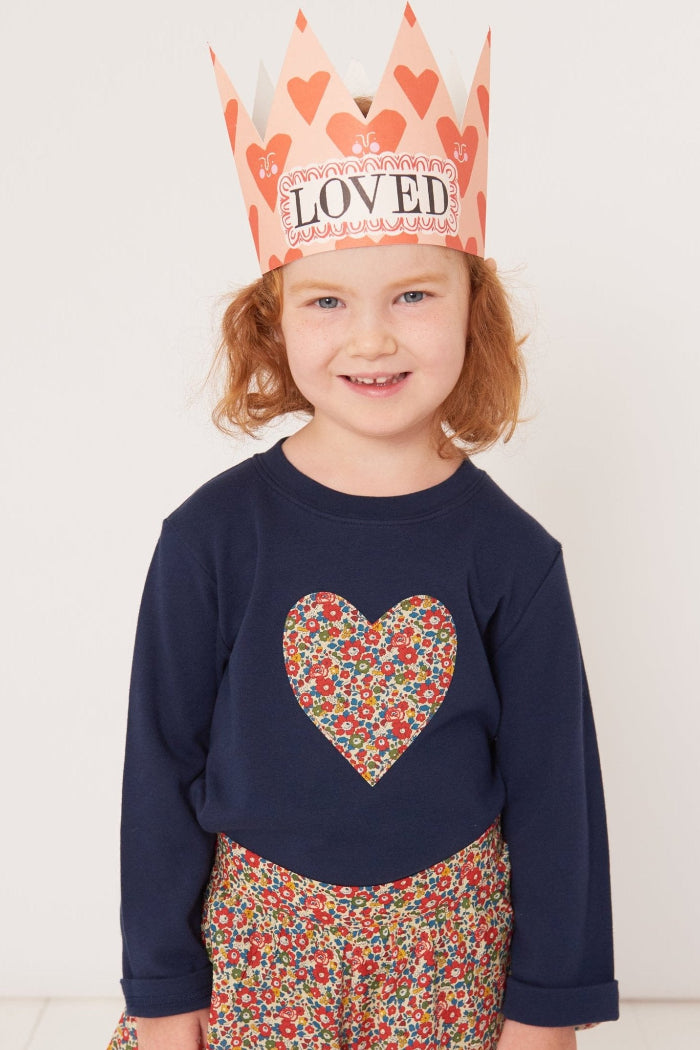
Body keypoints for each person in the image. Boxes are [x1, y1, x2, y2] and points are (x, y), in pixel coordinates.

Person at [107, 6, 618, 1049]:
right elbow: (158, 764)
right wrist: (163, 992)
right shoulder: (210, 538)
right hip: (261, 960)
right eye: (327, 301)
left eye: (414, 294)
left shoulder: (513, 557)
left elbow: (557, 798)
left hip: (453, 966)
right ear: (272, 321)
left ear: (472, 311)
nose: (373, 336)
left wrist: (545, 1013)